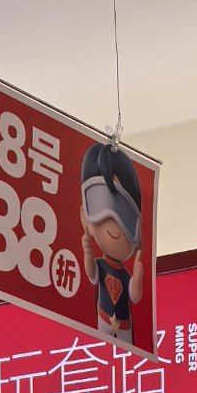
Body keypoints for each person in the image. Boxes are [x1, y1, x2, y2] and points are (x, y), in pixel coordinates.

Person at [80, 140, 146, 343]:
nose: (113, 223)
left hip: (125, 326)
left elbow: (134, 296)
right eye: (99, 204)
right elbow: (92, 275)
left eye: (124, 214)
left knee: (124, 355)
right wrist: (88, 253)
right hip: (103, 319)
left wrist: (138, 276)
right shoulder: (101, 265)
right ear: (85, 218)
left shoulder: (125, 275)